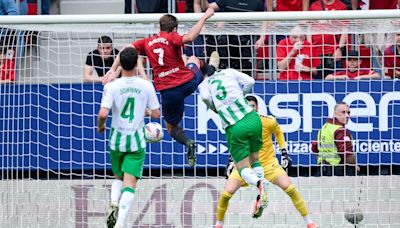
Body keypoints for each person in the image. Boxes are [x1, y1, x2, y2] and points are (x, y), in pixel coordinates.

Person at [103, 8, 216, 167]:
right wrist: (205, 16)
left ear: (159, 27)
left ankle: (188, 142)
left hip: (168, 91)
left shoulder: (147, 42)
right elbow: (190, 37)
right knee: (194, 59)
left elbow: (124, 49)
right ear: (174, 29)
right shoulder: (172, 37)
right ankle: (211, 71)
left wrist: (113, 70)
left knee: (171, 128)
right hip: (187, 82)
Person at [214, 95, 318, 228]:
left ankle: (309, 222)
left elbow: (278, 132)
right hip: (244, 166)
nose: (250, 108)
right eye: (247, 106)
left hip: (269, 164)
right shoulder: (237, 124)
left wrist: (284, 152)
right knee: (226, 194)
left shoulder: (268, 121)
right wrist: (231, 161)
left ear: (257, 107)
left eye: (253, 106)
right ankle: (219, 224)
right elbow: (236, 144)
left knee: (291, 189)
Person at [97, 47, 161, 228]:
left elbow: (103, 113)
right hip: (136, 141)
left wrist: (101, 126)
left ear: (120, 63)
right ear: (136, 63)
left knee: (118, 177)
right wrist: (144, 112)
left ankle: (114, 203)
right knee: (130, 184)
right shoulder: (146, 85)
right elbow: (156, 114)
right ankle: (121, 223)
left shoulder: (112, 85)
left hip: (116, 140)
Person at [198, 69, 269, 227]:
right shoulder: (229, 72)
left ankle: (259, 183)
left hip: (234, 125)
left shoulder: (204, 84)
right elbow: (251, 81)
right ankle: (262, 191)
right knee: (255, 158)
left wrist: (214, 106)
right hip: (252, 118)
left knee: (242, 167)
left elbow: (204, 97)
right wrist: (240, 95)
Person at [311, 102, 360, 176]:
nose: (347, 116)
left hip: (322, 170)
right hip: (338, 171)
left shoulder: (325, 127)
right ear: (335, 114)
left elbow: (314, 148)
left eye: (348, 113)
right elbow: (347, 153)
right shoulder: (340, 131)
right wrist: (355, 165)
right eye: (343, 112)